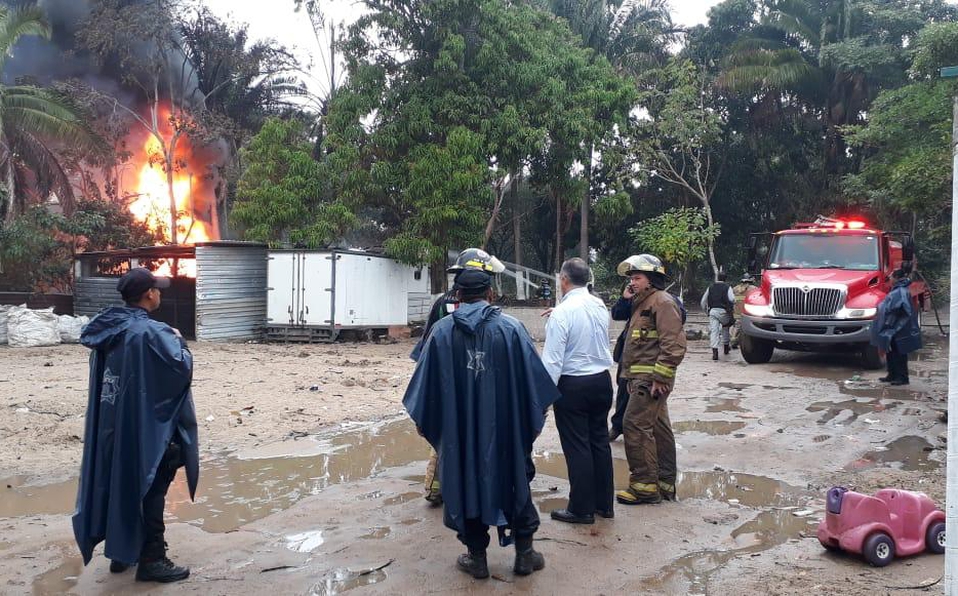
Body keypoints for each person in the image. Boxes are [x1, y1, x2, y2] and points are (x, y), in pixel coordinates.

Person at [403, 269, 561, 579]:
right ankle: (525, 555)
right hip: (507, 433)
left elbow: (423, 395)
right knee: (515, 479)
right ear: (491, 294)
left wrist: (432, 429)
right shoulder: (512, 329)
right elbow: (537, 390)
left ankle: (477, 558)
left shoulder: (440, 332)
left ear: (457, 296)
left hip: (459, 436)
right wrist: (530, 427)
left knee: (464, 483)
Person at [73, 267, 199, 583]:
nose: (160, 293)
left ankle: (122, 551)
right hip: (144, 427)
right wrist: (181, 342)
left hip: (112, 426)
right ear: (148, 295)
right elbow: (179, 371)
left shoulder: (109, 330)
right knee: (151, 486)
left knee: (120, 480)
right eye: (157, 289)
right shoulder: (153, 334)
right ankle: (152, 558)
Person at [411, 248, 505, 505]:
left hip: (448, 386)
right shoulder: (491, 312)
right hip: (481, 383)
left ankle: (437, 488)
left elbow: (426, 348)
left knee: (445, 439)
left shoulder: (442, 303)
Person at [541, 258, 615, 524]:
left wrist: (543, 398)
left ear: (563, 280)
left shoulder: (563, 312)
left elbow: (552, 361)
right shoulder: (598, 305)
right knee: (599, 442)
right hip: (601, 381)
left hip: (573, 384)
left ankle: (581, 509)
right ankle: (604, 504)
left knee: (577, 447)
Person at [614, 254, 687, 505]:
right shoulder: (640, 302)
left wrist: (660, 377)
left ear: (652, 280)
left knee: (634, 425)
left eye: (637, 278)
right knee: (659, 429)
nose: (632, 282)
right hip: (642, 377)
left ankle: (644, 486)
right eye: (631, 278)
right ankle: (665, 483)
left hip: (651, 380)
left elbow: (674, 344)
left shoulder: (662, 302)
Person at [871, 265, 922, 386]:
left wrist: (892, 324)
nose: (889, 278)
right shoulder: (897, 290)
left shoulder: (900, 291)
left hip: (897, 328)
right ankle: (892, 374)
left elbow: (901, 310)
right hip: (892, 327)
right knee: (891, 351)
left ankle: (902, 377)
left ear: (896, 278)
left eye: (891, 276)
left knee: (899, 352)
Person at [700, 270, 735, 360]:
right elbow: (732, 299)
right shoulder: (728, 287)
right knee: (726, 326)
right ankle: (726, 348)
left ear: (717, 278)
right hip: (724, 312)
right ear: (725, 279)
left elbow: (703, 301)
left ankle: (715, 353)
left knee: (714, 331)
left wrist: (706, 311)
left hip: (713, 311)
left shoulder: (710, 287)